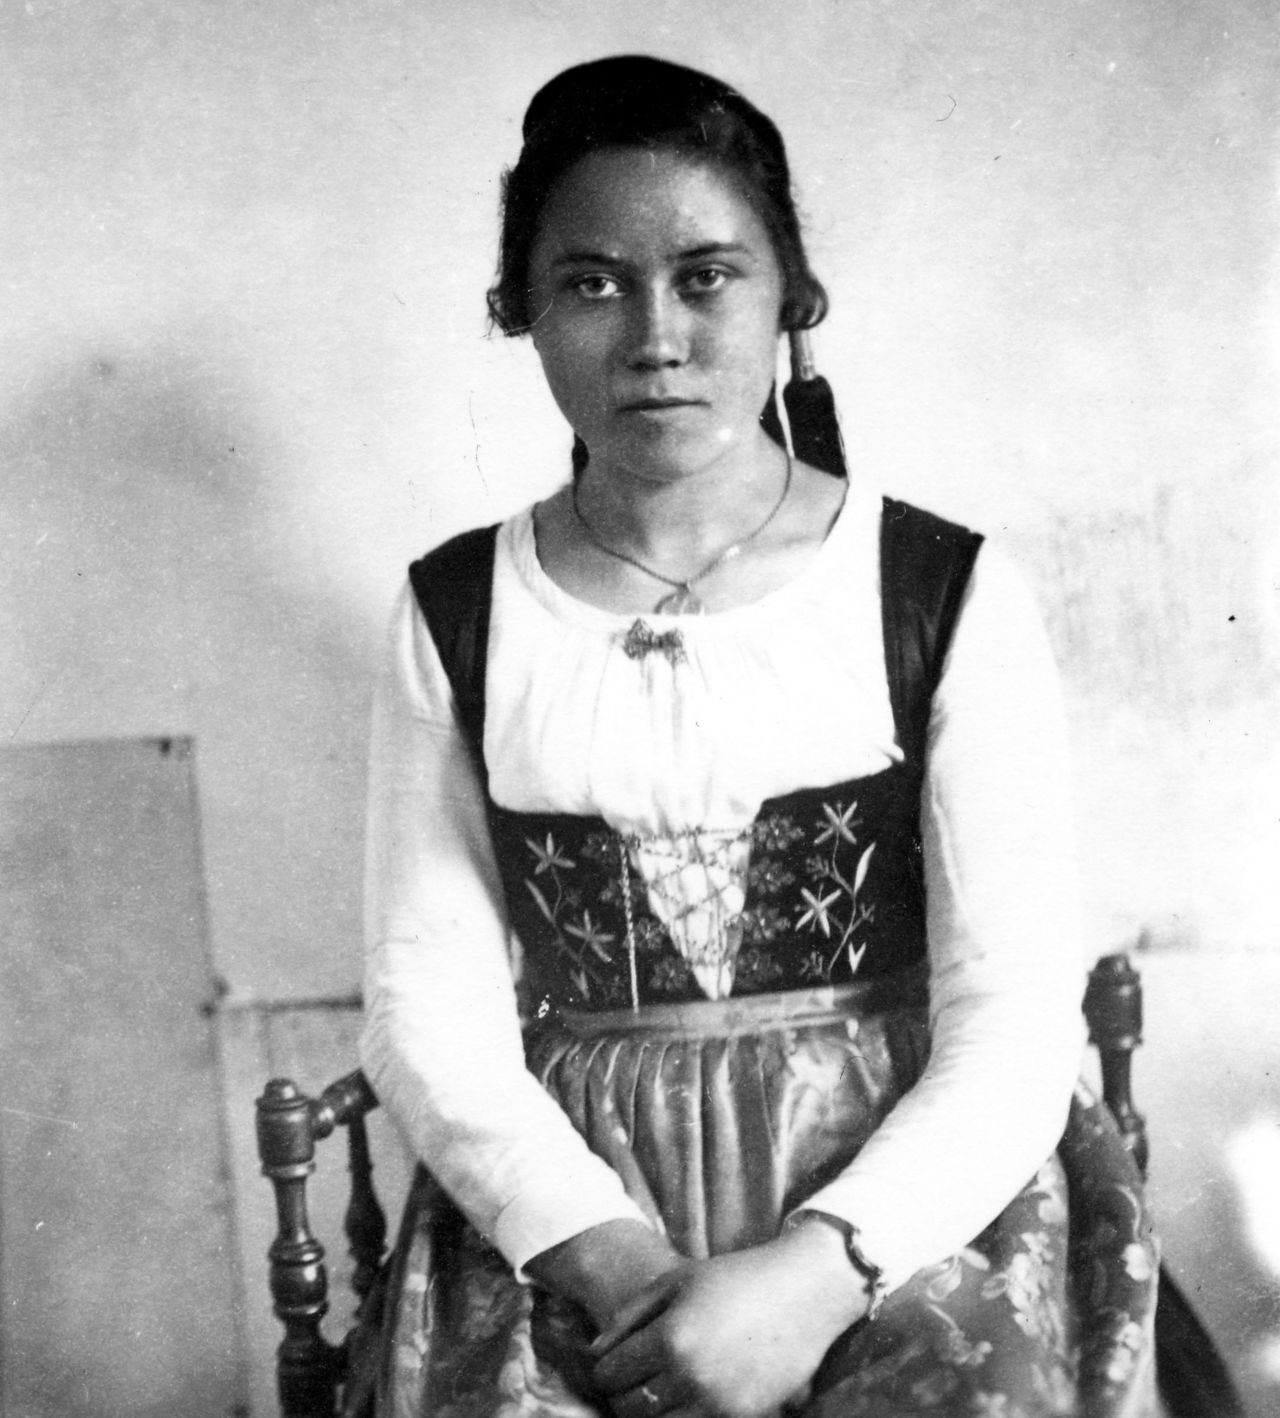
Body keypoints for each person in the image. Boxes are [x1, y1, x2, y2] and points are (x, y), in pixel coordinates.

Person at [358, 55, 1158, 1418]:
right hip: (576, 1210)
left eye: (707, 277)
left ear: (793, 297)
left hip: (906, 1203)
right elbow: (425, 1003)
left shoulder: (938, 590)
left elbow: (1015, 1009)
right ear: (519, 310)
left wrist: (817, 1273)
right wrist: (613, 1262)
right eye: (591, 283)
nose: (655, 336)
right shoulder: (459, 611)